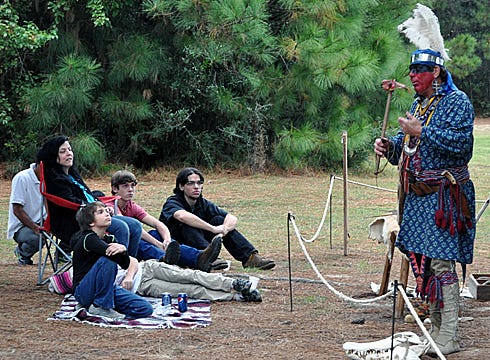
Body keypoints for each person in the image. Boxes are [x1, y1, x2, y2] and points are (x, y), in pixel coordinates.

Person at [373, 46, 476, 355]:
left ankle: (450, 335)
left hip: (445, 197)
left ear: (436, 73)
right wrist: (389, 147)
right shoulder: (420, 103)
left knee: (443, 263)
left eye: (419, 71)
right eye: (411, 71)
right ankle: (435, 327)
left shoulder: (458, 102)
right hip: (418, 199)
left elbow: (462, 146)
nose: (413, 76)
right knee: (426, 265)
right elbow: (410, 144)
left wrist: (424, 131)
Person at [36, 135, 142, 257]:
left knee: (135, 225)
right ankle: (117, 266)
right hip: (76, 222)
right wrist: (97, 208)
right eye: (62, 151)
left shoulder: (72, 175)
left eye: (70, 150)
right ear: (53, 156)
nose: (69, 153)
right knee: (121, 228)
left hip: (93, 215)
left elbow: (88, 196)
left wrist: (103, 207)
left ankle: (129, 265)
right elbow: (71, 202)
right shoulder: (55, 181)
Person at [160, 167, 275, 270]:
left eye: (199, 183)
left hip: (197, 240)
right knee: (186, 223)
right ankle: (207, 256)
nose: (196, 187)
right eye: (191, 183)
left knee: (219, 220)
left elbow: (231, 218)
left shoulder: (203, 203)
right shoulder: (172, 202)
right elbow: (182, 216)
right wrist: (213, 229)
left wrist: (224, 229)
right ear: (181, 186)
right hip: (175, 246)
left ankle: (250, 258)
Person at [108, 170, 222, 272]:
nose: (131, 189)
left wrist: (167, 240)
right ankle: (164, 258)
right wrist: (158, 244)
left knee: (156, 234)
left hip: (133, 243)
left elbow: (157, 224)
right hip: (118, 246)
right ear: (115, 188)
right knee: (141, 242)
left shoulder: (131, 206)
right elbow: (135, 230)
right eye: (125, 186)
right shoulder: (110, 206)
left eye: (132, 186)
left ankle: (199, 257)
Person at [71, 201, 153, 319]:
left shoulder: (110, 238)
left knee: (145, 308)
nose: (107, 213)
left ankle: (98, 305)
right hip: (83, 290)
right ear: (91, 222)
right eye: (100, 212)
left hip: (106, 288)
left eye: (106, 210)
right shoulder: (88, 239)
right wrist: (119, 251)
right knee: (108, 260)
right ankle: (100, 306)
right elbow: (112, 256)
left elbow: (125, 263)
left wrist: (123, 249)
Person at [117, 257, 262, 302]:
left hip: (146, 269)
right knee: (190, 290)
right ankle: (236, 296)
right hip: (141, 287)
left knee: (190, 276)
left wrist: (129, 276)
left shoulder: (104, 247)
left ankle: (233, 283)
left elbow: (132, 260)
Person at [7, 162, 45, 265]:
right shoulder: (22, 178)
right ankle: (22, 254)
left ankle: (62, 255)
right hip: (22, 226)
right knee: (37, 238)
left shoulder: (51, 178)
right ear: (40, 164)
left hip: (42, 220)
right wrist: (35, 227)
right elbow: (17, 210)